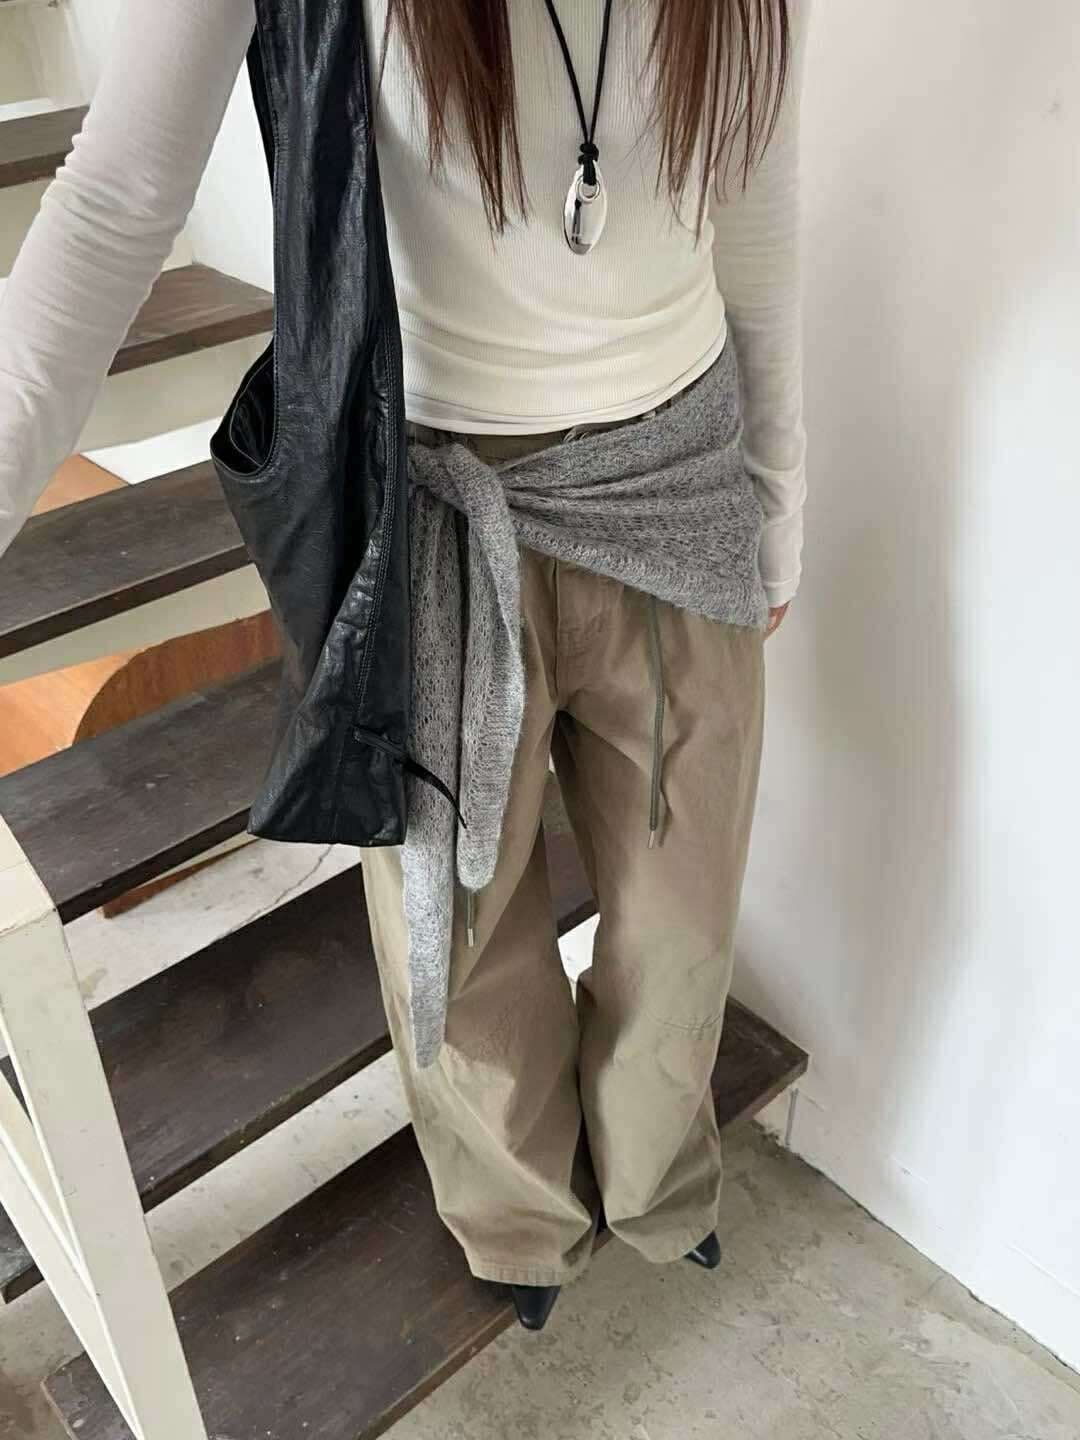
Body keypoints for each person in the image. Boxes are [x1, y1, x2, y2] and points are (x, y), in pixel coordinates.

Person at [0, 0, 809, 1332]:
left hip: (680, 484)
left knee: (684, 911)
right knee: (462, 933)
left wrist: (778, 500)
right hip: (435, 509)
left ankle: (659, 1182)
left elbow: (760, 200)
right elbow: (115, 202)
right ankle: (518, 1221)